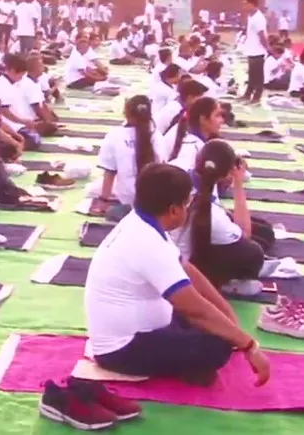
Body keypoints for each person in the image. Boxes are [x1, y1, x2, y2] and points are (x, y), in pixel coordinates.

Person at [83, 162, 271, 385]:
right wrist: (249, 345)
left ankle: (188, 360)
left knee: (219, 325)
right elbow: (193, 309)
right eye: (186, 202)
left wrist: (227, 313)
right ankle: (188, 367)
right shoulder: (147, 242)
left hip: (143, 330)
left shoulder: (141, 222)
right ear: (174, 210)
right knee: (217, 345)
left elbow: (187, 270)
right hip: (123, 350)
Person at [168, 142, 284, 300]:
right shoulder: (206, 210)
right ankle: (220, 283)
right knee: (254, 252)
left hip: (178, 251)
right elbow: (245, 234)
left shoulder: (183, 174)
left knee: (262, 233)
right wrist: (238, 183)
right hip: (182, 265)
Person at [93, 95, 160, 219]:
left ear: (126, 114)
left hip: (126, 204)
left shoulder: (115, 135)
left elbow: (110, 172)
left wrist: (103, 200)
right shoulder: (157, 136)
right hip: (156, 203)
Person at [164, 96, 225, 172]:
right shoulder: (193, 147)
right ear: (203, 119)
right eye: (217, 115)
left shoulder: (197, 141)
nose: (222, 120)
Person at [239, 0, 270, 103]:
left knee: (258, 75)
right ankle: (248, 94)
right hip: (251, 49)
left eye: (245, 4)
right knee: (252, 74)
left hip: (258, 50)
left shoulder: (258, 18)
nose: (243, 6)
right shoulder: (250, 16)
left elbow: (262, 35)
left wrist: (268, 49)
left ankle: (257, 96)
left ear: (252, 4)